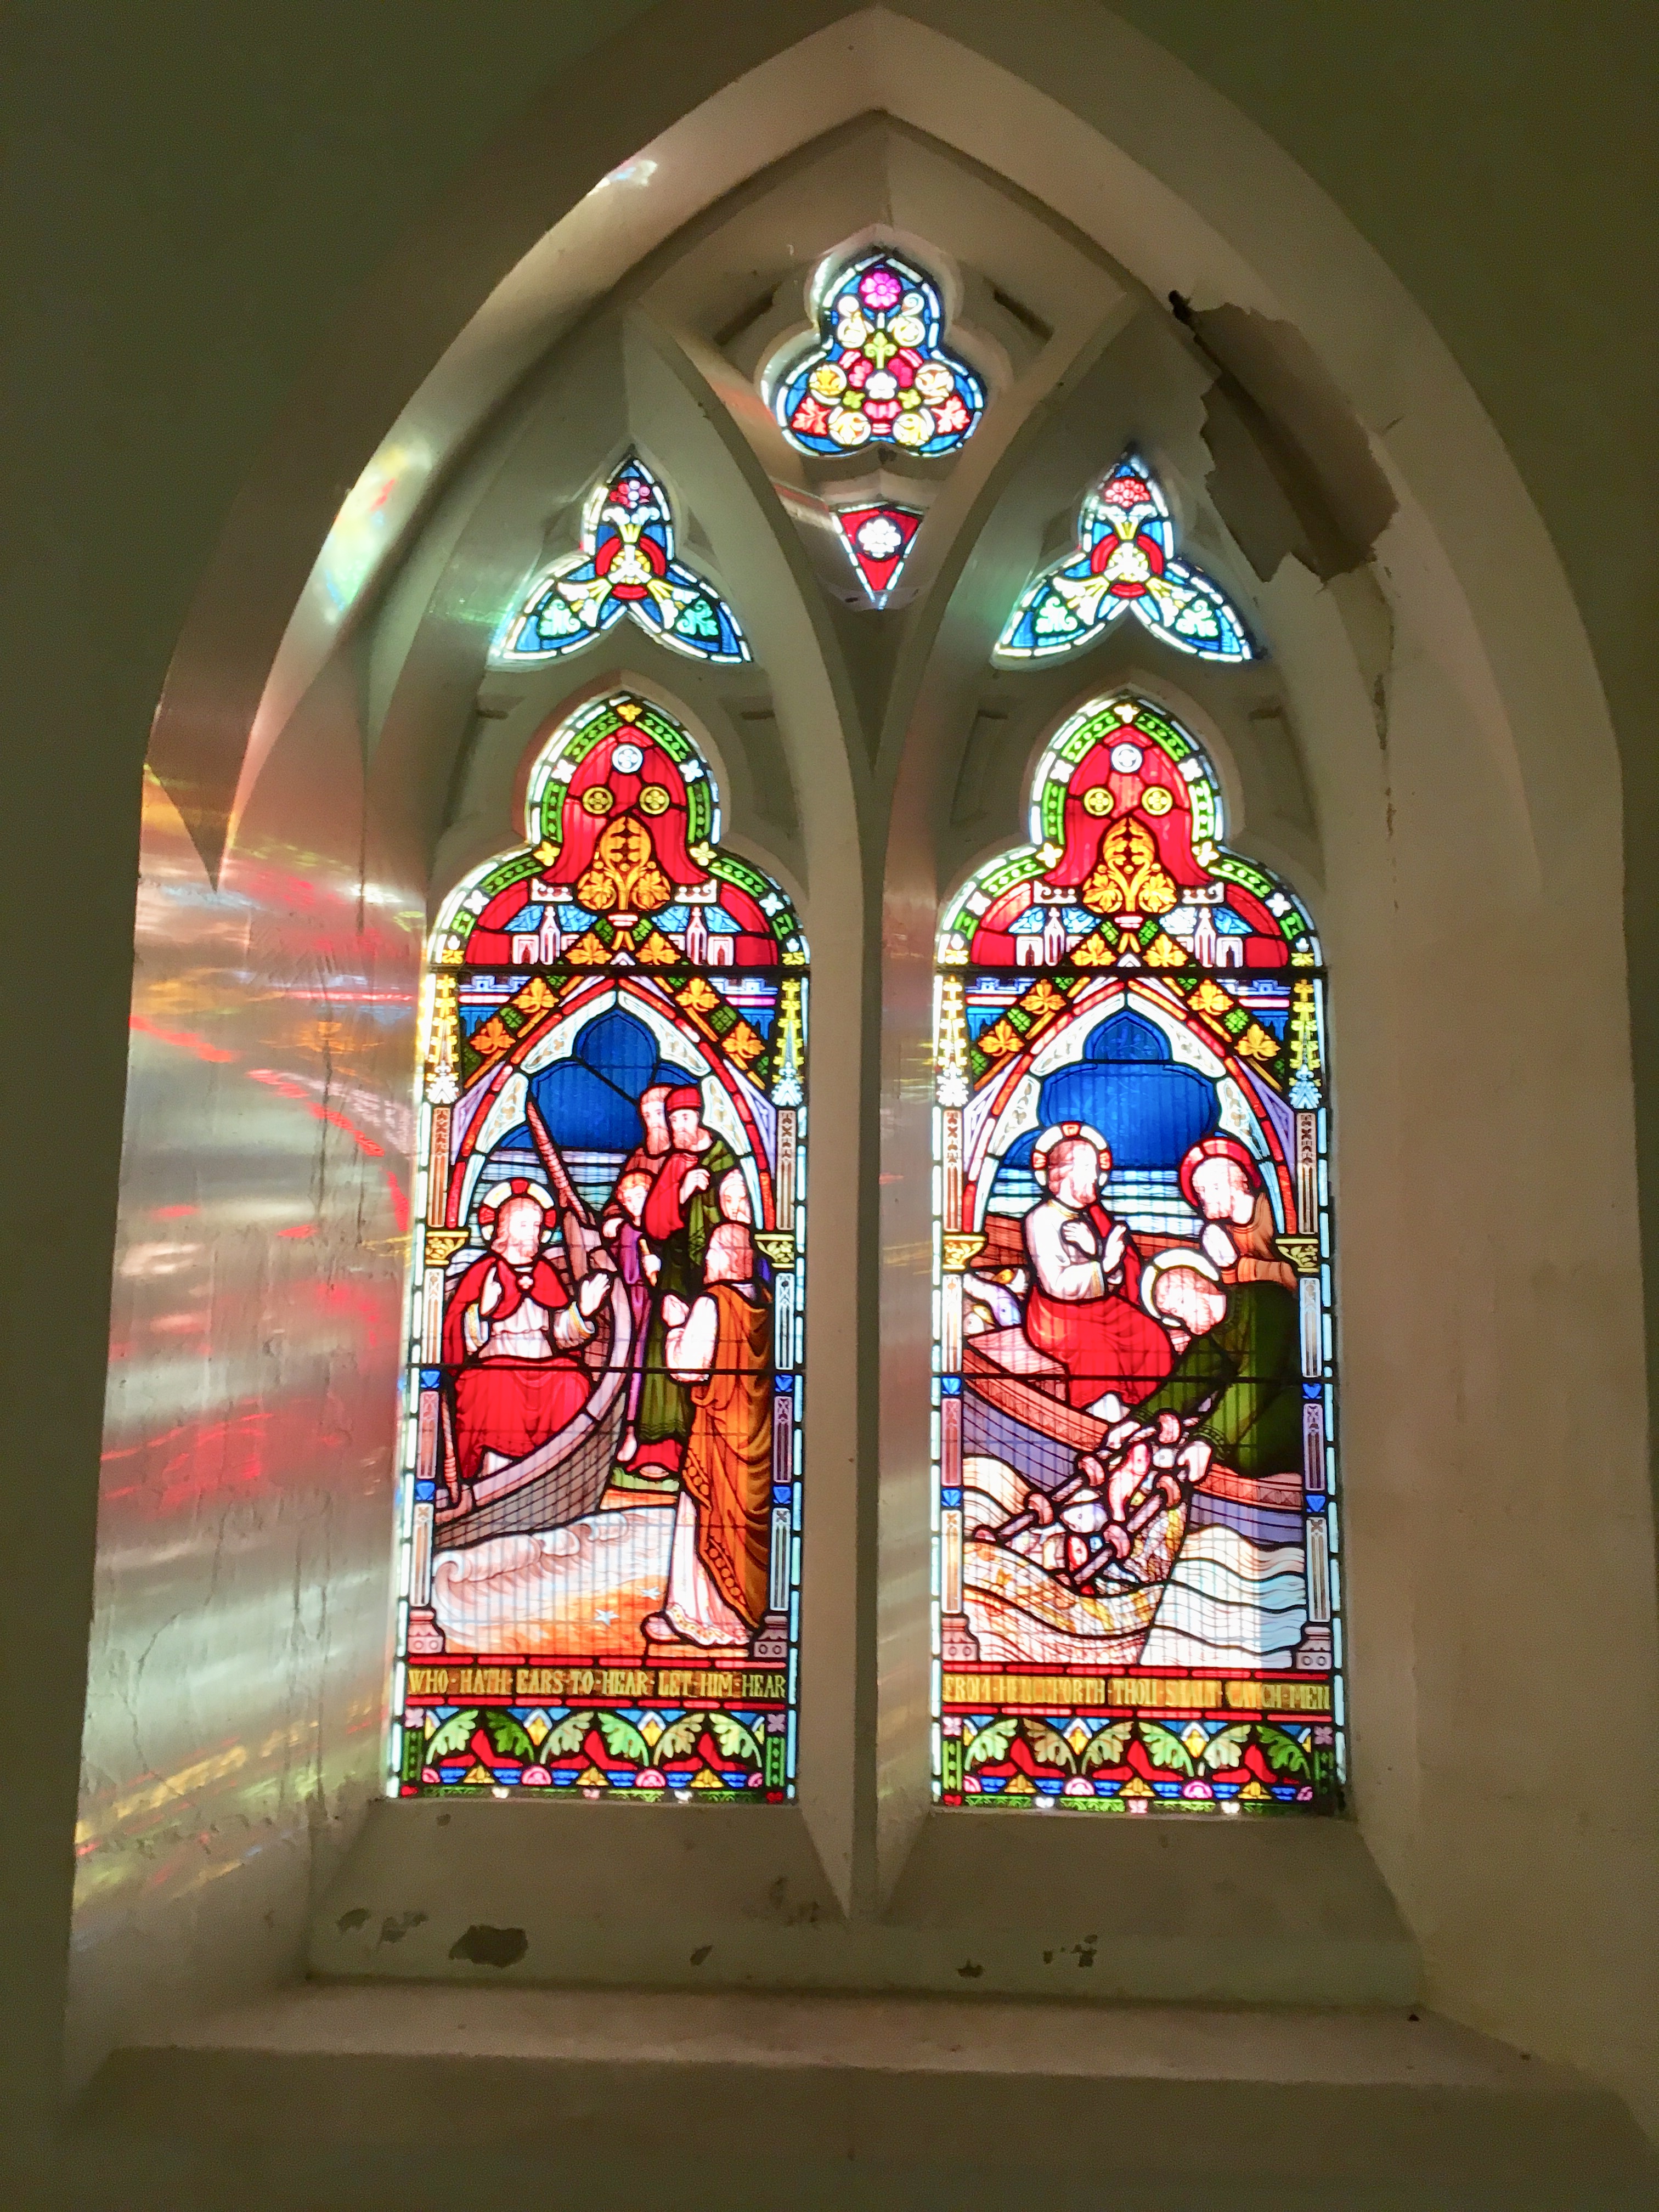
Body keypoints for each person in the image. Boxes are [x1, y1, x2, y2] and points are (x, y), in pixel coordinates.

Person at [641, 1218, 773, 1648]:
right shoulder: (770, 1301)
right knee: (748, 1527)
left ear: (730, 1260)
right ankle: (751, 1618)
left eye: (714, 1253)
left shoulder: (712, 1304)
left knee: (705, 1519)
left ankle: (703, 1620)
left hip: (718, 1434)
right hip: (758, 1432)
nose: (707, 1260)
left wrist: (676, 1325)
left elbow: (687, 1367)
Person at [442, 1181, 611, 1487]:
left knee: (574, 1381)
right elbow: (456, 1340)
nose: (533, 1232)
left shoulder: (545, 1273)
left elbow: (562, 1337)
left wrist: (582, 1312)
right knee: (493, 1384)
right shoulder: (484, 1272)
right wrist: (482, 1311)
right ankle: (494, 1476)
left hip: (548, 1368)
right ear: (503, 1228)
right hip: (498, 1365)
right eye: (524, 1225)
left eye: (536, 1225)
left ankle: (561, 1473)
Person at [1021, 1123, 1173, 1413]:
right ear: (1066, 1173)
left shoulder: (1092, 1216)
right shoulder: (1040, 1219)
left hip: (1097, 1305)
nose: (1097, 1176)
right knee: (1097, 1351)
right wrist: (1102, 1264)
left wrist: (1104, 1261)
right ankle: (1104, 1417)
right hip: (1054, 1314)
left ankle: (1151, 1411)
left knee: (1149, 1335)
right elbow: (1056, 1285)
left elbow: (1111, 1278)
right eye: (1089, 1168)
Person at [632, 1083, 740, 1476]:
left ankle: (718, 1442)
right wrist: (681, 1193)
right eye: (671, 1119)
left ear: (702, 1117)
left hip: (723, 1269)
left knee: (723, 1349)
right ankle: (662, 1448)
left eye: (683, 1117)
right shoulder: (676, 1163)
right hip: (679, 1273)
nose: (676, 1126)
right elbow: (655, 1225)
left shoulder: (727, 1156)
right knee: (666, 1351)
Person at [1178, 1136, 1297, 1293]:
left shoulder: (1274, 1211)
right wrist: (1227, 1267)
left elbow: (1296, 1273)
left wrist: (1238, 1266)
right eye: (1201, 1191)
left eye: (1215, 1187)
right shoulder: (1223, 1233)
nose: (1207, 1198)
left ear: (1240, 1180)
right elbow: (1235, 1290)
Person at [600, 1167, 658, 1460]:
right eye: (630, 1198)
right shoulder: (622, 1230)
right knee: (618, 1366)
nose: (636, 1203)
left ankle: (632, 1432)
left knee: (639, 1367)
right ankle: (615, 1430)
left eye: (642, 1196)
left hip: (647, 1304)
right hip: (622, 1304)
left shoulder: (656, 1234)